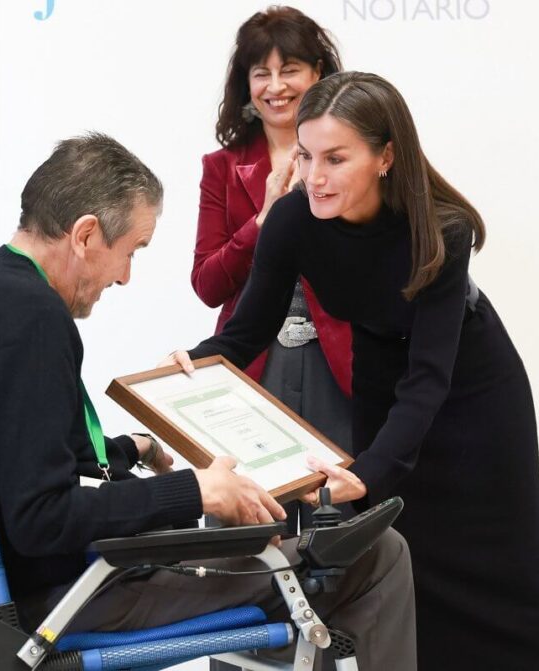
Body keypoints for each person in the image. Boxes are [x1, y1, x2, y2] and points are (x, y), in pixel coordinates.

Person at [0, 132, 416, 669]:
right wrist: (194, 491)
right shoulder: (33, 320)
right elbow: (42, 517)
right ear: (86, 234)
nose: (125, 277)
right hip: (76, 597)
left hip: (30, 590)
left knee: (253, 549)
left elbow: (19, 449)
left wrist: (131, 448)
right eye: (130, 252)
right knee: (378, 553)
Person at [164, 72, 539, 669]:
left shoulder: (442, 229)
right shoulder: (291, 220)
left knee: (508, 572)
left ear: (386, 156)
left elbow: (431, 376)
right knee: (410, 572)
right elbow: (243, 333)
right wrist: (189, 366)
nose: (314, 176)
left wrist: (372, 471)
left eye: (336, 159)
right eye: (306, 156)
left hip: (473, 394)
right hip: (384, 383)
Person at [194, 6, 353, 533]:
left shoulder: (352, 155)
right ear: (245, 84)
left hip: (342, 359)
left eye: (290, 70)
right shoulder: (221, 168)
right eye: (260, 72)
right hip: (255, 364)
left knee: (343, 515)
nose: (275, 86)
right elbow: (208, 282)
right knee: (252, 521)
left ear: (319, 75)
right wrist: (264, 219)